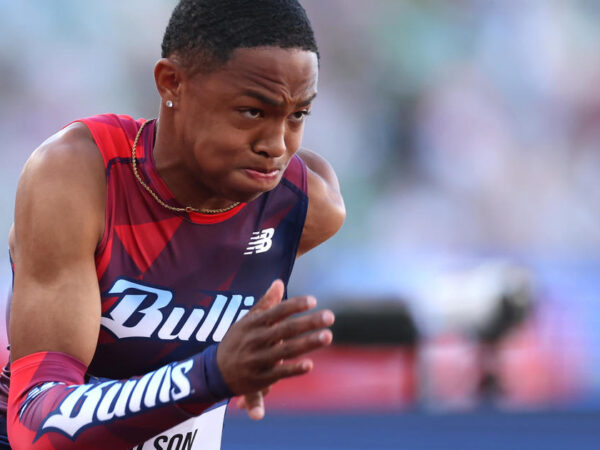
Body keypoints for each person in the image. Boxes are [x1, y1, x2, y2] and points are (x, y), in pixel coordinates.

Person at [0, 0, 345, 448]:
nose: (276, 146)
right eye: (252, 112)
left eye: (297, 114)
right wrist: (212, 374)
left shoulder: (306, 205)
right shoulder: (78, 175)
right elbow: (34, 428)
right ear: (172, 83)